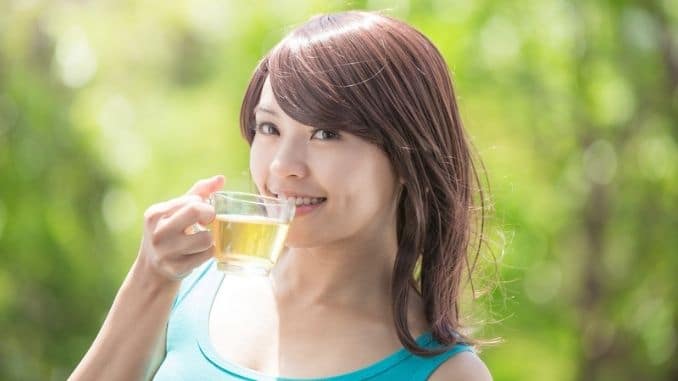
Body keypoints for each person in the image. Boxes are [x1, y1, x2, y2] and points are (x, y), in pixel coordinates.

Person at [70, 10, 493, 381]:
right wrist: (150, 277)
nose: (282, 166)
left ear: (408, 157)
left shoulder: (446, 373)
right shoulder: (187, 289)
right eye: (269, 128)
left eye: (326, 134)